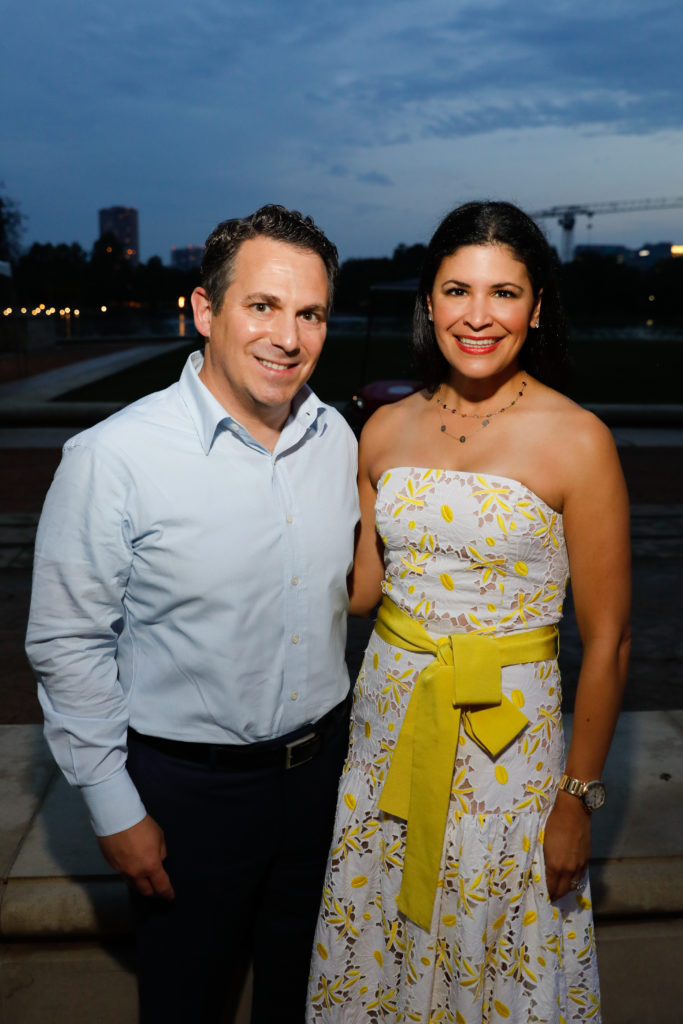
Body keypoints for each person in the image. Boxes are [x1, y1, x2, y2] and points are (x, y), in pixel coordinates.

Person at [26, 205, 359, 1023]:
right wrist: (113, 805)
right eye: (262, 306)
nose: (288, 337)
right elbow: (68, 643)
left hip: (323, 781)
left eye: (310, 313)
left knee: (309, 999)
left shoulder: (337, 440)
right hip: (188, 797)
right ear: (205, 310)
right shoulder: (113, 457)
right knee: (187, 1003)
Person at [307, 201, 630, 1022]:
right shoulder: (382, 429)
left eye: (503, 293)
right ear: (429, 302)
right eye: (457, 291)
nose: (477, 316)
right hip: (386, 737)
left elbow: (609, 643)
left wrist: (575, 801)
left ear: (536, 307)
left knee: (494, 956)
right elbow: (360, 593)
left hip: (507, 758)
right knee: (378, 940)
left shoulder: (578, 439)